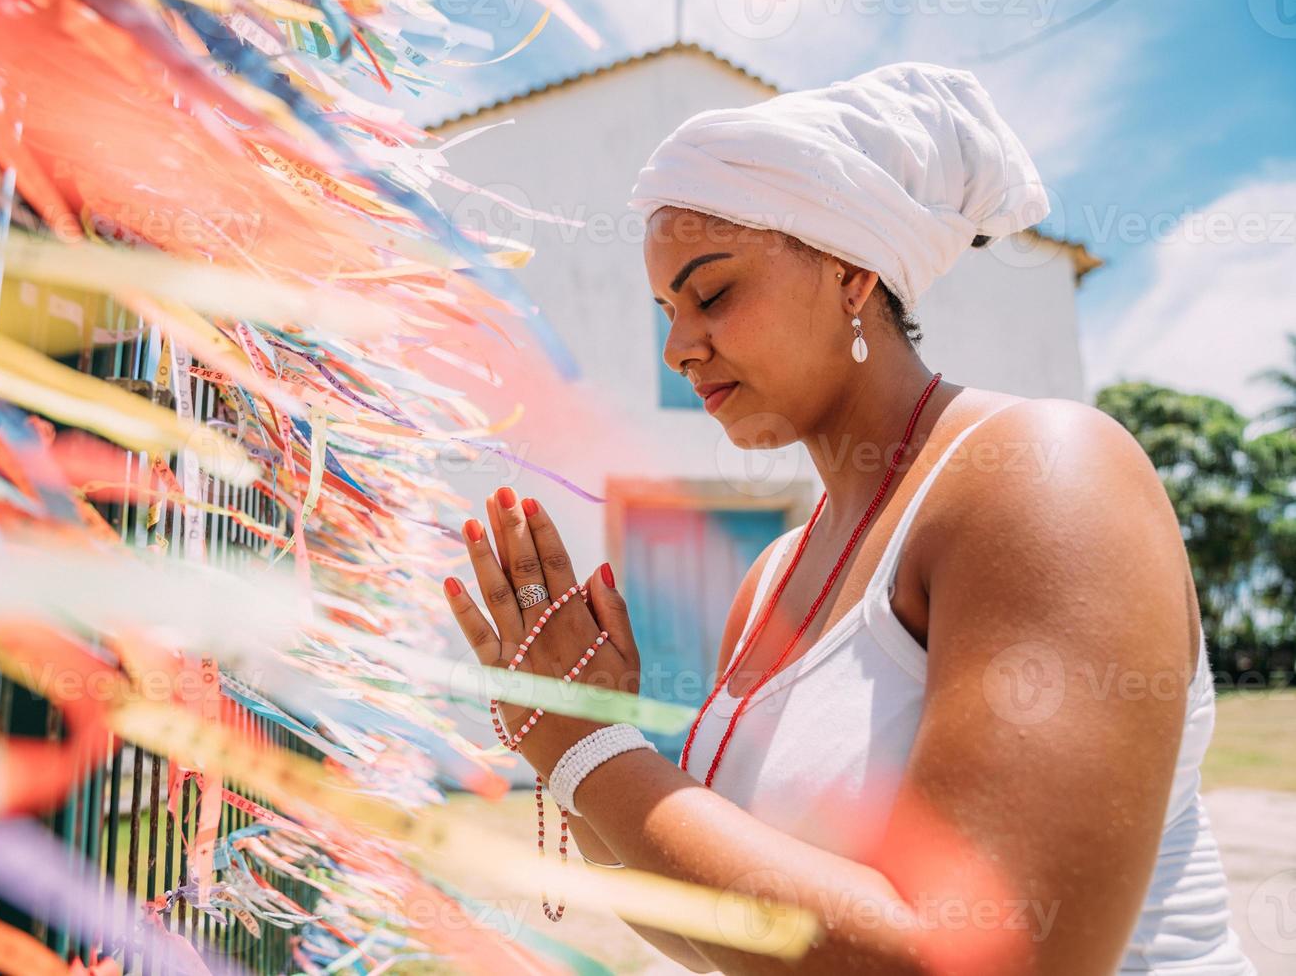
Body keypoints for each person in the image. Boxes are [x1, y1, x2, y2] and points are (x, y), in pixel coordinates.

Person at [441, 61, 1255, 974]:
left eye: (711, 294)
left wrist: (590, 752)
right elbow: (724, 926)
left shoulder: (1041, 473)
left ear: (853, 273)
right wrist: (581, 743)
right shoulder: (772, 580)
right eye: (665, 311)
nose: (677, 347)